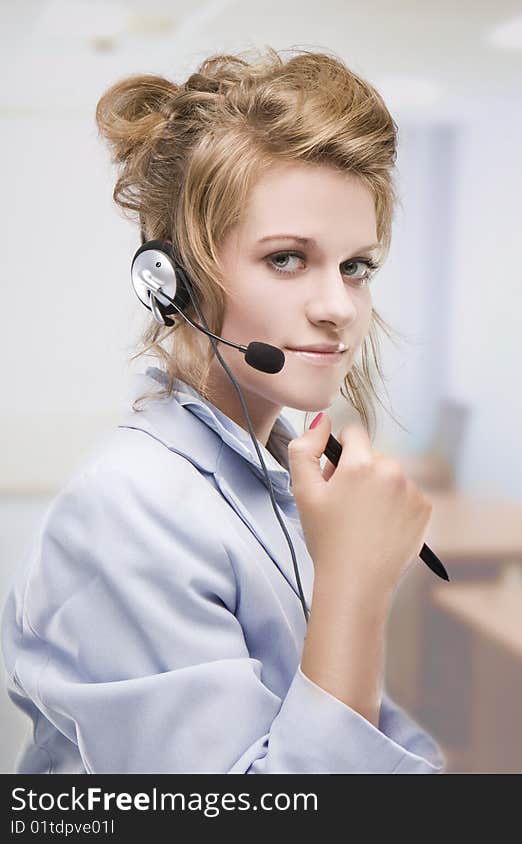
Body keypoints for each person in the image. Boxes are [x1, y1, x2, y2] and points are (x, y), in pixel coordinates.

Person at [0, 46, 445, 774]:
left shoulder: (280, 471)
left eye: (355, 266)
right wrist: (357, 587)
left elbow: (375, 738)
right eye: (287, 258)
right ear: (171, 282)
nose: (339, 308)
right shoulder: (130, 510)